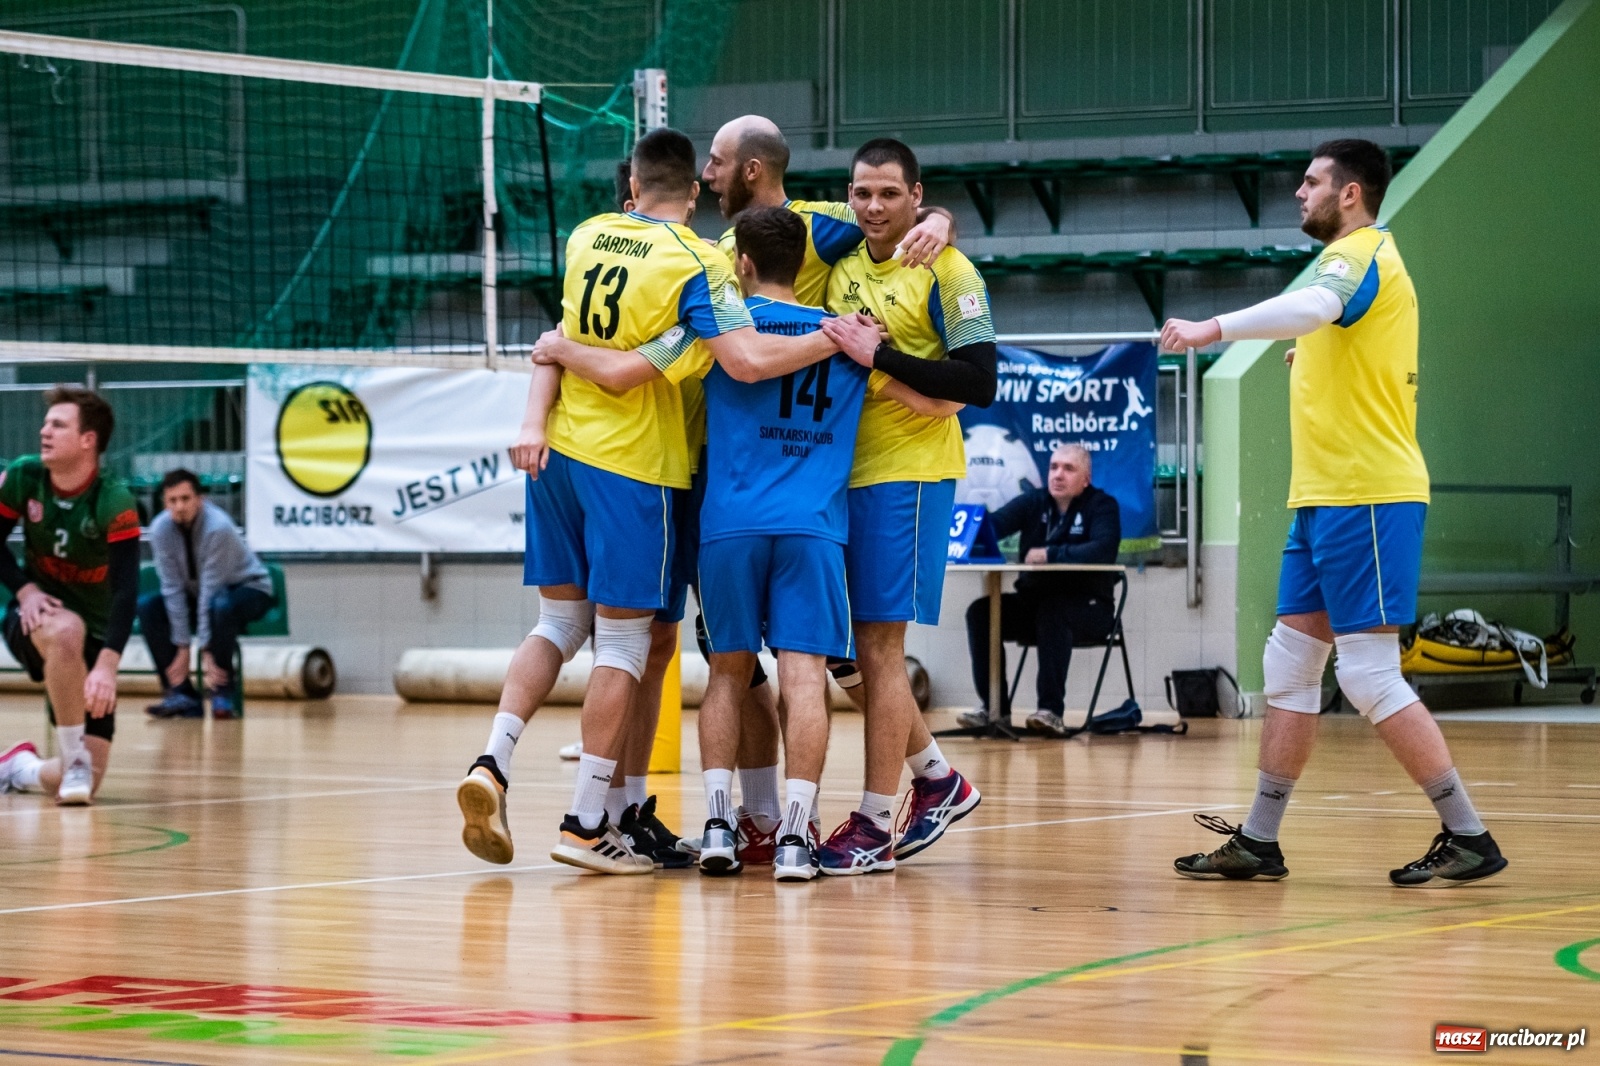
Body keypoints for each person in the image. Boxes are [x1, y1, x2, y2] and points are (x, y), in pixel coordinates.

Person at [456, 128, 842, 876]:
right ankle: (585, 820)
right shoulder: (700, 264)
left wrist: (539, 407)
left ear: (632, 185)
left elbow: (558, 342)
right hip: (640, 471)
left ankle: (497, 760)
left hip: (559, 457)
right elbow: (743, 359)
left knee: (563, 623)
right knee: (634, 645)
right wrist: (835, 339)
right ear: (694, 193)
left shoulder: (588, 234)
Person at [1160, 139, 1508, 888]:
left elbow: (1316, 307)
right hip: (1322, 499)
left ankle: (1468, 832)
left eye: (1312, 182)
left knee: (1370, 676)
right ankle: (1259, 839)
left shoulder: (1360, 254)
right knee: (1289, 664)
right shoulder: (1350, 266)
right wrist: (1309, 360)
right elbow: (1332, 333)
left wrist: (1210, 328)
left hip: (1369, 495)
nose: (1298, 192)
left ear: (1350, 193)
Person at [813, 138, 997, 873]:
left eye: (890, 194)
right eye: (862, 193)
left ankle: (873, 822)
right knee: (838, 652)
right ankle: (937, 779)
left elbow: (977, 380)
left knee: (881, 651)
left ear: (916, 196)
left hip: (910, 474)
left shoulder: (949, 270)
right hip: (837, 475)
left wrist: (879, 360)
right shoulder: (838, 256)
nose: (874, 207)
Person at [674, 206, 873, 881]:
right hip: (813, 525)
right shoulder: (846, 334)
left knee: (728, 674)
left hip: (730, 523)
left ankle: (720, 826)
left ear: (744, 264)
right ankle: (794, 837)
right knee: (804, 678)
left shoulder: (726, 333)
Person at [0, 387, 141, 805]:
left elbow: (127, 589)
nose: (44, 431)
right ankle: (74, 758)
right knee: (66, 630)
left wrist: (106, 666)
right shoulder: (26, 477)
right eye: (46, 423)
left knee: (83, 783)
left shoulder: (114, 501)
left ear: (87, 440)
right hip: (37, 619)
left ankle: (18, 768)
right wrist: (25, 590)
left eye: (58, 425)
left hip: (95, 637)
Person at [958, 443, 1121, 736]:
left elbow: (1103, 549)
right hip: (1035, 606)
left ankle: (1050, 711)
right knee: (980, 613)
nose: (1058, 475)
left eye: (1068, 469)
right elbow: (993, 526)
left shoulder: (1102, 506)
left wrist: (1051, 554)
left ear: (1086, 478)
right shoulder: (1034, 501)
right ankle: (995, 709)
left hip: (1090, 609)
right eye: (1053, 467)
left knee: (1053, 610)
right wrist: (965, 531)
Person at [140, 469, 275, 719]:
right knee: (148, 607)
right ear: (164, 503)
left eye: (186, 498)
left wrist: (206, 650)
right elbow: (172, 588)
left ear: (200, 499)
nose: (179, 506)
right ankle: (180, 692)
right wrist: (182, 646)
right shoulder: (160, 529)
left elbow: (211, 589)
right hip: (201, 594)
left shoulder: (218, 527)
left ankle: (222, 688)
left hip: (248, 589)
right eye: (172, 500)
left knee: (220, 606)